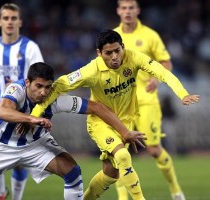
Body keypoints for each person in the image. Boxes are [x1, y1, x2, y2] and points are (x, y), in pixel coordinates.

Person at [29, 30, 199, 200]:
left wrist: (182, 93)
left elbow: (162, 72)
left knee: (110, 174)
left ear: (123, 47)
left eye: (117, 50)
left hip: (125, 123)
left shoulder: (134, 58)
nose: (114, 57)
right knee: (123, 156)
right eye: (108, 53)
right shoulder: (92, 70)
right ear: (99, 53)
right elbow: (60, 85)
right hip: (100, 123)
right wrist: (35, 115)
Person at [0, 62, 145, 200]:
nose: (43, 92)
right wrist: (32, 118)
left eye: (47, 87)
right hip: (1, 146)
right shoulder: (16, 89)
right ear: (27, 82)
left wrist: (125, 132)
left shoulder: (54, 97)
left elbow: (97, 108)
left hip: (35, 145)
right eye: (38, 86)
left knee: (73, 172)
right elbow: (3, 111)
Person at [114, 1, 187, 199]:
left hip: (146, 100)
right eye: (124, 8)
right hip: (121, 103)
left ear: (137, 10)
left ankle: (175, 189)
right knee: (119, 152)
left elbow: (166, 62)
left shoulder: (150, 35)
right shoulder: (113, 37)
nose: (128, 11)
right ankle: (122, 197)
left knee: (154, 150)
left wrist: (156, 78)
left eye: (131, 8)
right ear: (118, 10)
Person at [0, 3, 44, 200]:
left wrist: (34, 114)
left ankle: (16, 198)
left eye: (13, 18)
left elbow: (40, 77)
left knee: (19, 160)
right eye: (6, 18)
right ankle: (0, 192)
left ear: (20, 22)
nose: (9, 22)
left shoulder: (30, 47)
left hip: (21, 113)